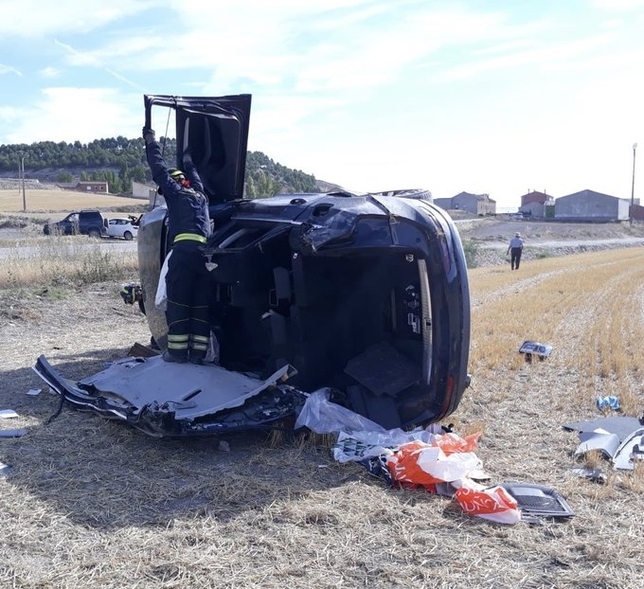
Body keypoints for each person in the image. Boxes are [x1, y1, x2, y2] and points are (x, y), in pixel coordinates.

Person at [143, 126, 212, 364]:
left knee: (179, 301)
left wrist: (151, 141)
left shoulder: (175, 192)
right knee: (201, 302)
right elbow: (196, 177)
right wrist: (188, 160)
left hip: (182, 253)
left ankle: (178, 353)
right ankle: (199, 354)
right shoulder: (201, 195)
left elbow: (158, 168)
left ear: (174, 182)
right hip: (205, 257)